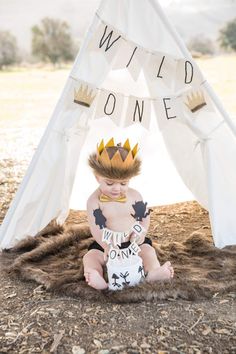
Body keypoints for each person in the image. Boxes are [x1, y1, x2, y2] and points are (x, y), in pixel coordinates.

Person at [83, 138, 174, 290]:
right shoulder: (94, 201)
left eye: (123, 183)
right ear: (97, 177)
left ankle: (152, 272)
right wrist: (106, 246)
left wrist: (142, 234)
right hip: (108, 244)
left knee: (148, 252)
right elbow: (96, 228)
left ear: (130, 179)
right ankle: (95, 275)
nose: (116, 189)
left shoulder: (135, 196)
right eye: (109, 183)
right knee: (90, 256)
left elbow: (143, 217)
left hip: (133, 242)